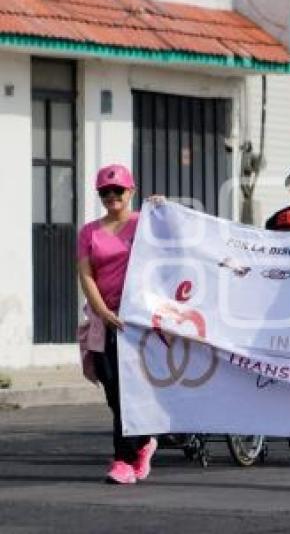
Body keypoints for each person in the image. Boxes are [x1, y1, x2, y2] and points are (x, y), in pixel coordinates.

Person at [77, 164, 156, 485]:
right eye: (105, 192)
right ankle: (144, 441)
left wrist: (162, 208)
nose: (111, 196)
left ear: (131, 192)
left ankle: (123, 459)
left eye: (118, 191)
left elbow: (182, 236)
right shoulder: (89, 232)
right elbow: (86, 275)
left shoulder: (146, 223)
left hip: (140, 320)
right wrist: (103, 312)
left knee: (131, 390)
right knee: (112, 389)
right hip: (105, 318)